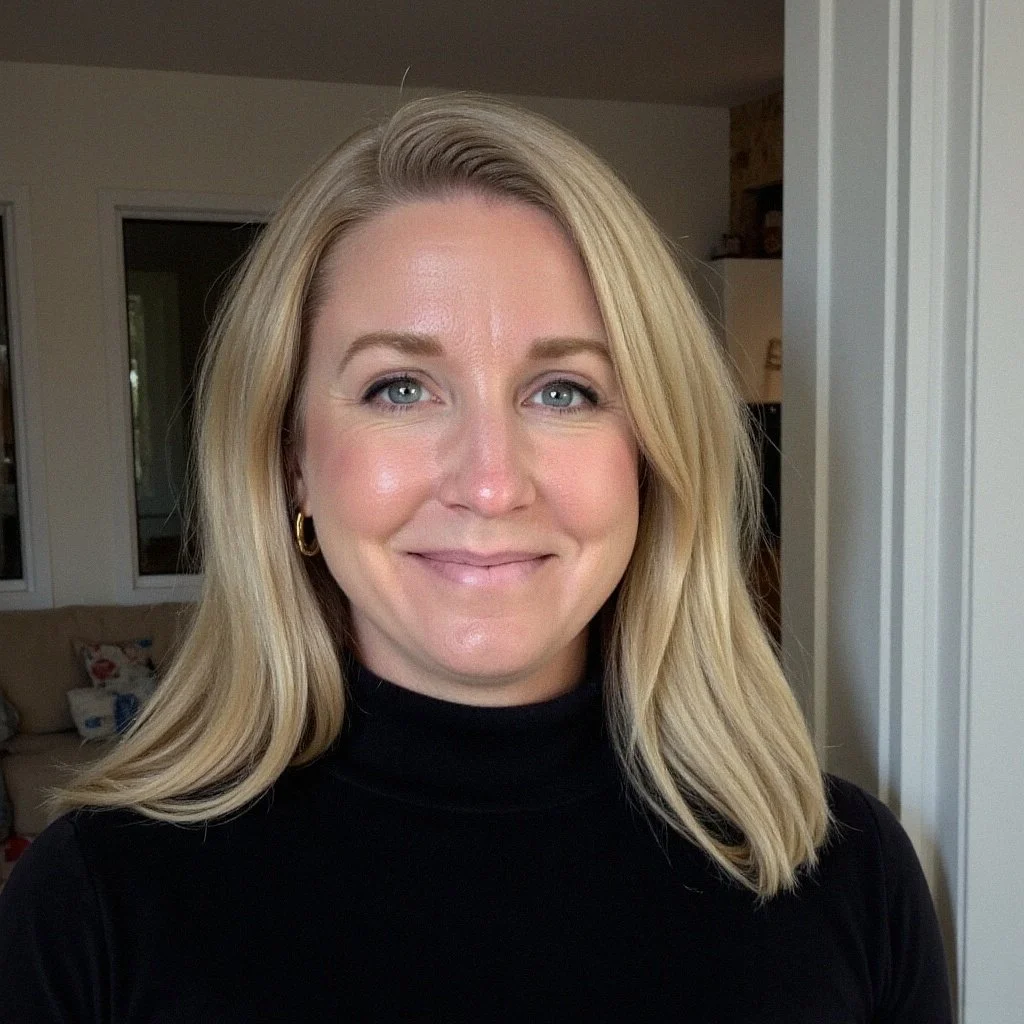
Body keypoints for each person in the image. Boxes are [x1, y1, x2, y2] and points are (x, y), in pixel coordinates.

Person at [0, 94, 952, 1023]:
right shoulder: (93, 905)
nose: (491, 484)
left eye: (565, 392)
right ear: (291, 460)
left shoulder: (849, 875)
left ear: (653, 455)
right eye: (401, 388)